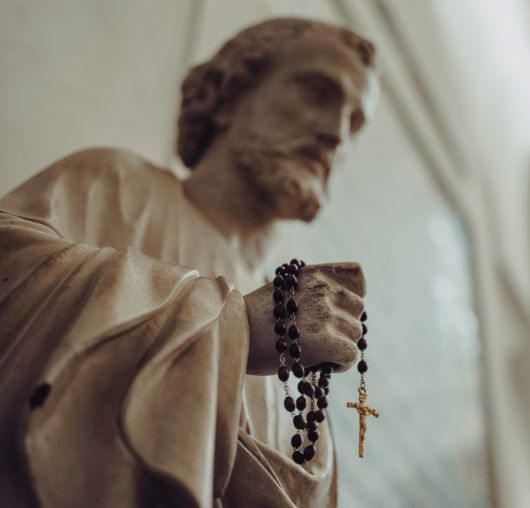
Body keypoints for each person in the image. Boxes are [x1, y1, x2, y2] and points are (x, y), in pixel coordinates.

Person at [0, 17, 378, 508]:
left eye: (354, 122)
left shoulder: (305, 336)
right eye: (316, 91)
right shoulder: (110, 185)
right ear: (229, 96)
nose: (335, 135)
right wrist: (237, 328)